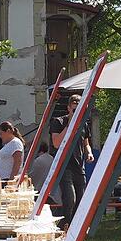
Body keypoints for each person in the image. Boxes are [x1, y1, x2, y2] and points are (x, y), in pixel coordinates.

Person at [49, 94, 94, 225]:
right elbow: (56, 143)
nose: (76, 113)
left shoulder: (84, 124)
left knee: (80, 200)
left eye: (79, 110)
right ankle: (65, 226)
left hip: (79, 165)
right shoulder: (59, 122)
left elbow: (86, 143)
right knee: (70, 199)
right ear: (68, 108)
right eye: (74, 109)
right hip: (65, 165)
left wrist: (89, 153)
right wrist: (70, 125)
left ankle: (73, 227)